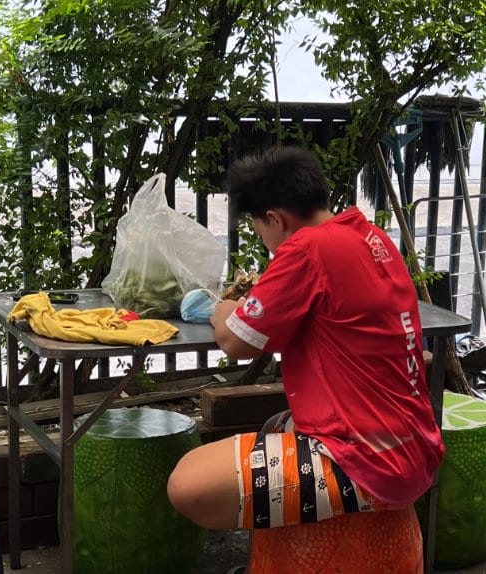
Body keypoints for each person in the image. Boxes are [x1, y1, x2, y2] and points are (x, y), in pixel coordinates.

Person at [166, 146, 445, 531]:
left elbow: (235, 342)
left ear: (275, 219)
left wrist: (220, 312)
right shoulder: (370, 237)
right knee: (275, 426)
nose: (265, 241)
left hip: (371, 461)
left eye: (259, 230)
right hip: (416, 444)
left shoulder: (305, 249)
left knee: (188, 484)